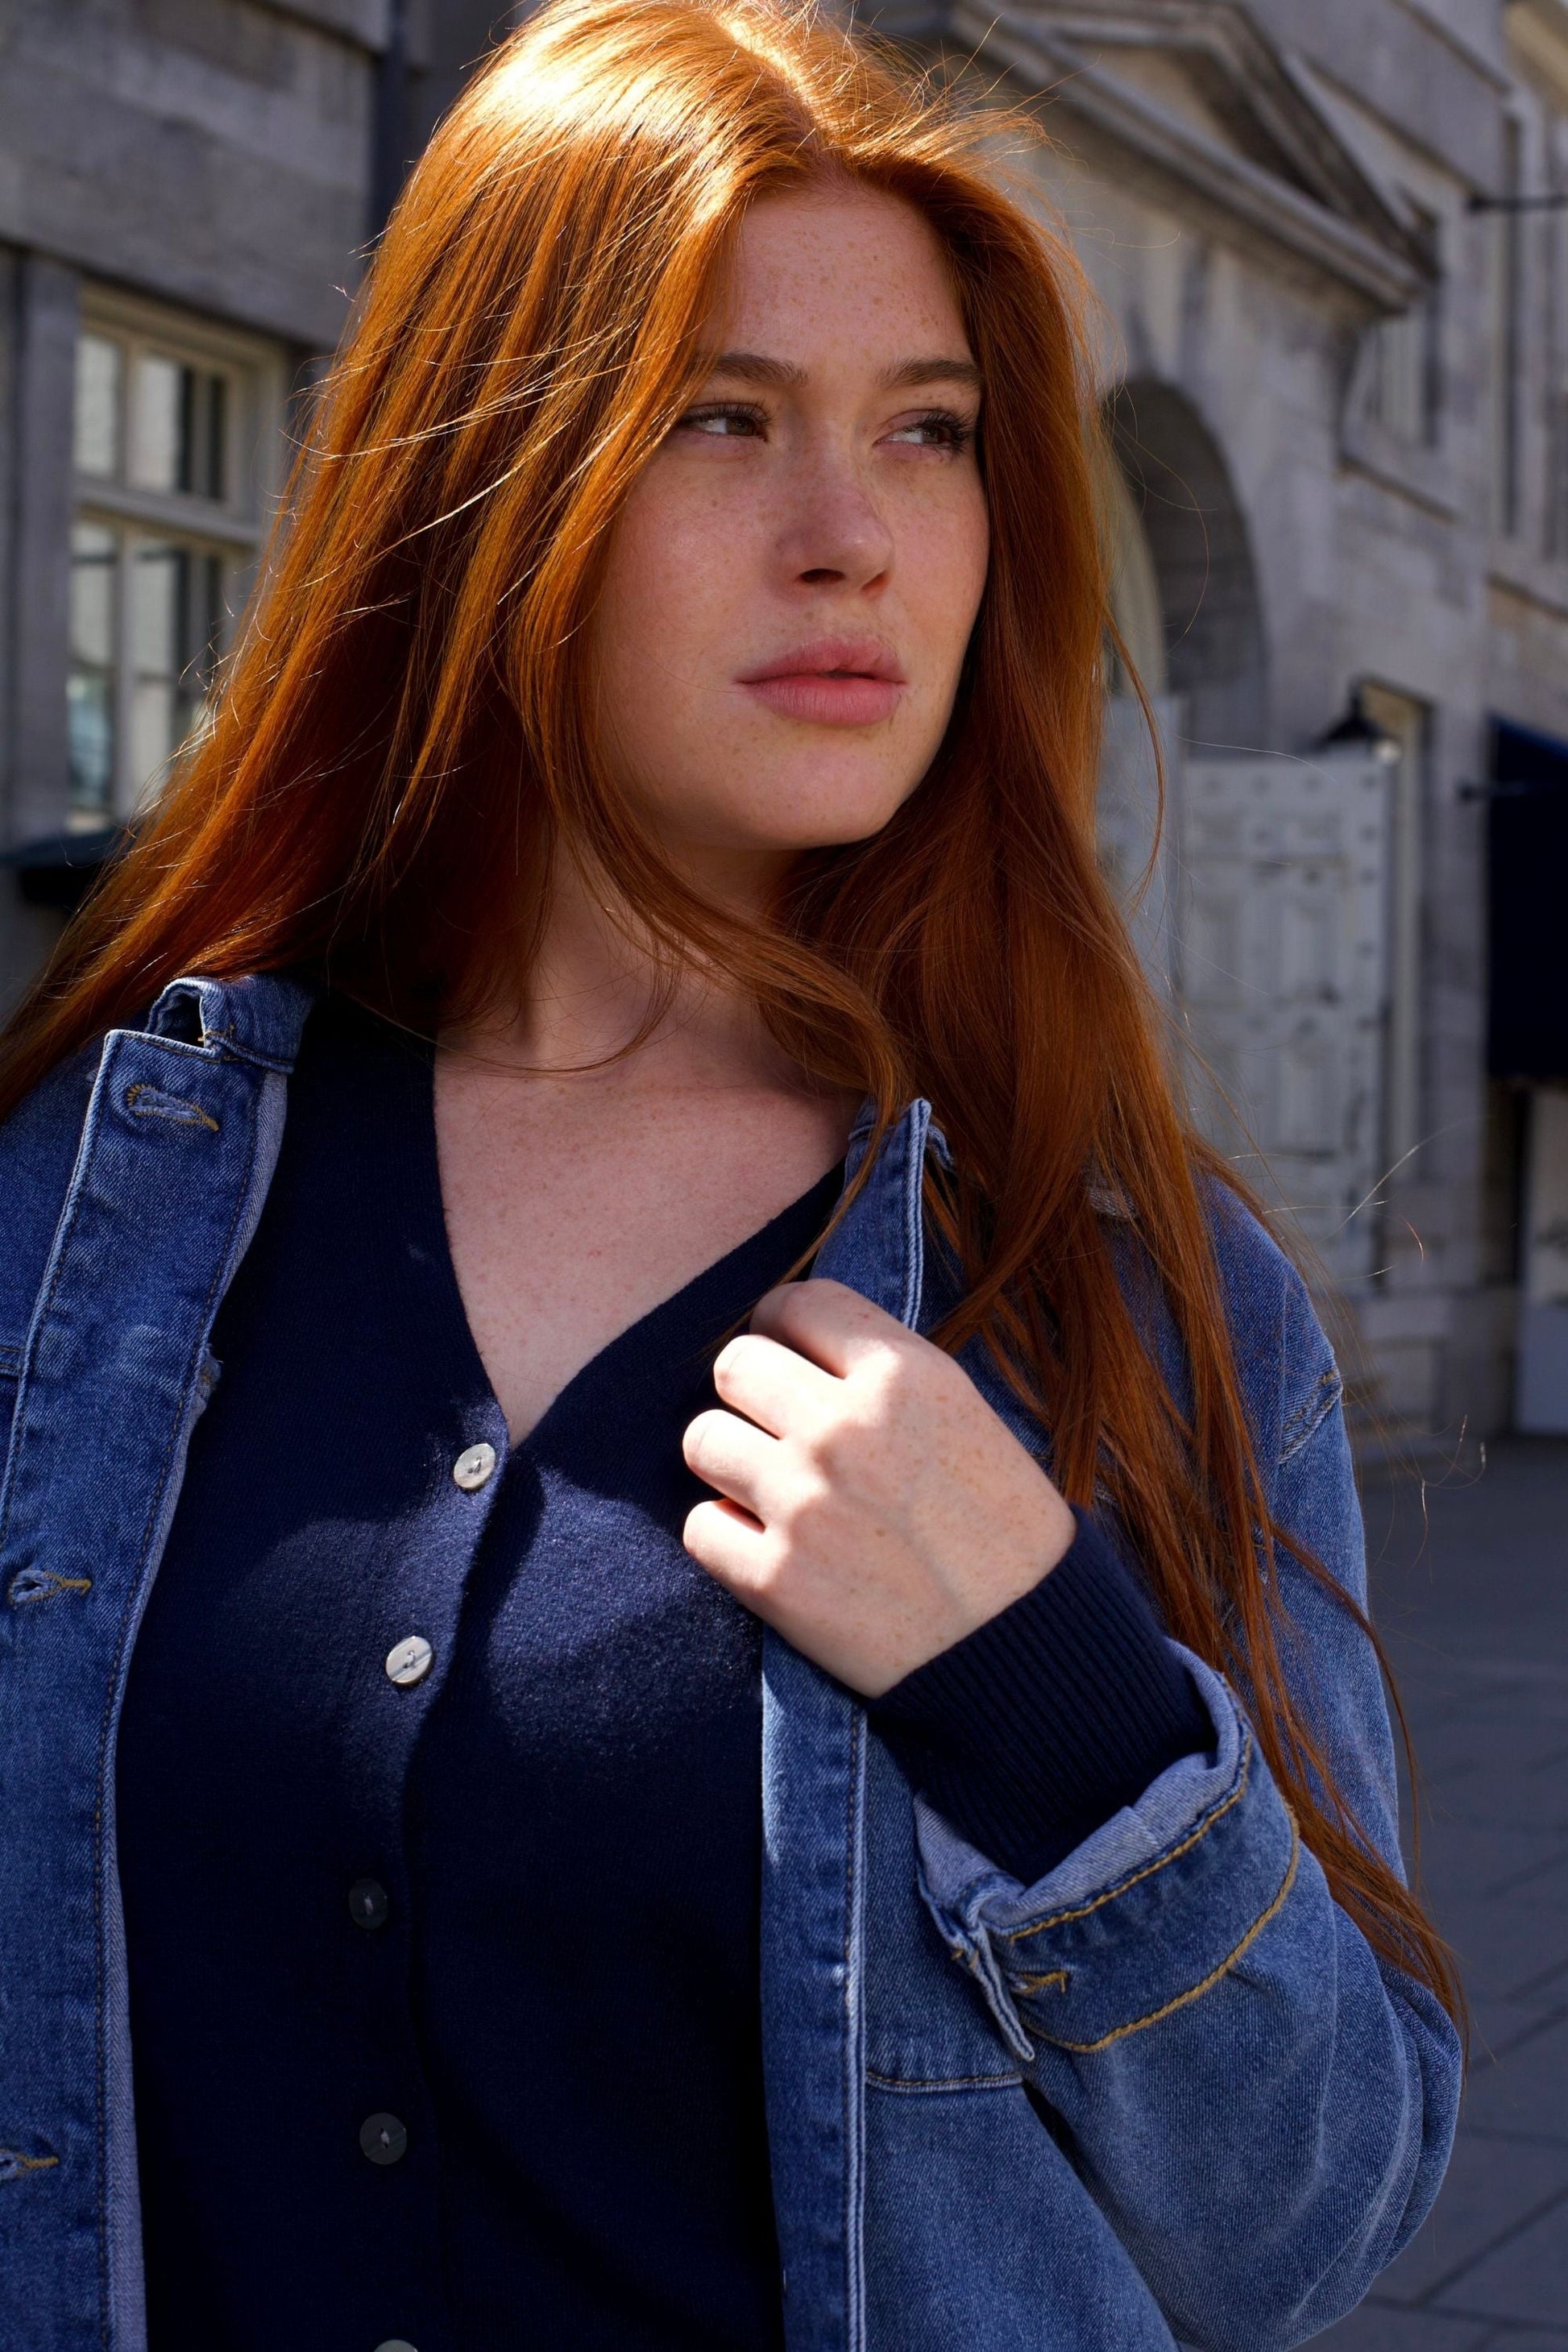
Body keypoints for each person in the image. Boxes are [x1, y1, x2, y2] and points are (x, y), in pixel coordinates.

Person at [0, 2, 1461, 2346]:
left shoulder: (1118, 1290)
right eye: (721, 415)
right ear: (491, 475)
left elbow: (1306, 2221)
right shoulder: (95, 1208)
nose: (852, 537)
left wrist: (1045, 1680)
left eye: (928, 431)